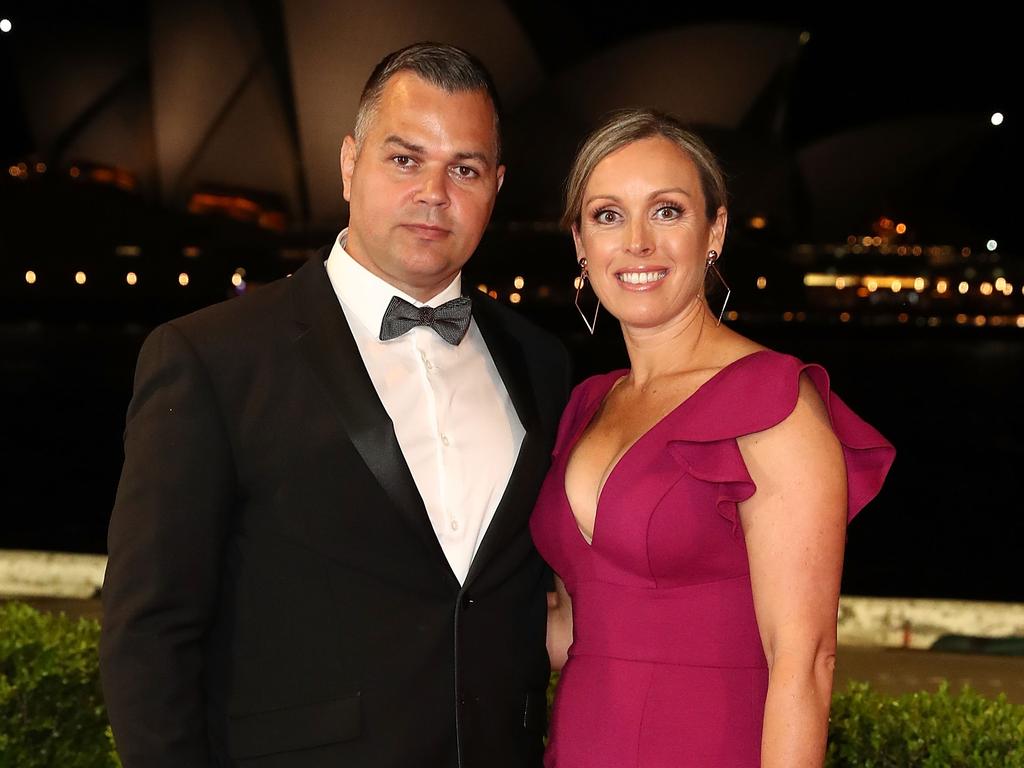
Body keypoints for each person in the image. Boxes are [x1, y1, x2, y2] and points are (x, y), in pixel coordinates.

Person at [100, 42, 569, 768]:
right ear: (350, 162)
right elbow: (149, 633)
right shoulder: (211, 358)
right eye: (405, 159)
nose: (434, 193)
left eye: (465, 168)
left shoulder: (542, 364)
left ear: (497, 186)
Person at [529, 108, 895, 767]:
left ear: (714, 229)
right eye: (608, 215)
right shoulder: (586, 404)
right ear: (580, 244)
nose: (636, 241)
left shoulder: (772, 401)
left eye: (666, 211)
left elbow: (805, 663)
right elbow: (567, 627)